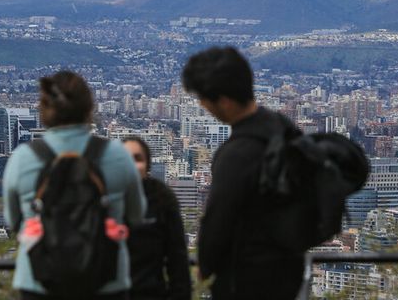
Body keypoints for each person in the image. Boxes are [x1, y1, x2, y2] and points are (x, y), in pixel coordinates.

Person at [3, 70, 146, 299]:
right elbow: (136, 215)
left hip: (39, 280)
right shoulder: (118, 155)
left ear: (44, 110)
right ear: (89, 108)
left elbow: (13, 221)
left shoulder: (23, 158)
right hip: (105, 280)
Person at [182, 46, 305, 300]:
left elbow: (218, 219)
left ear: (224, 101)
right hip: (288, 269)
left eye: (204, 99)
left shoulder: (236, 154)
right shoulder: (282, 127)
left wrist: (205, 265)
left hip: (245, 279)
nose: (203, 105)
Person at [123, 137, 192, 300]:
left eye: (138, 158)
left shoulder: (161, 197)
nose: (132, 165)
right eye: (126, 159)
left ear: (148, 165)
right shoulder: (107, 198)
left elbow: (178, 258)